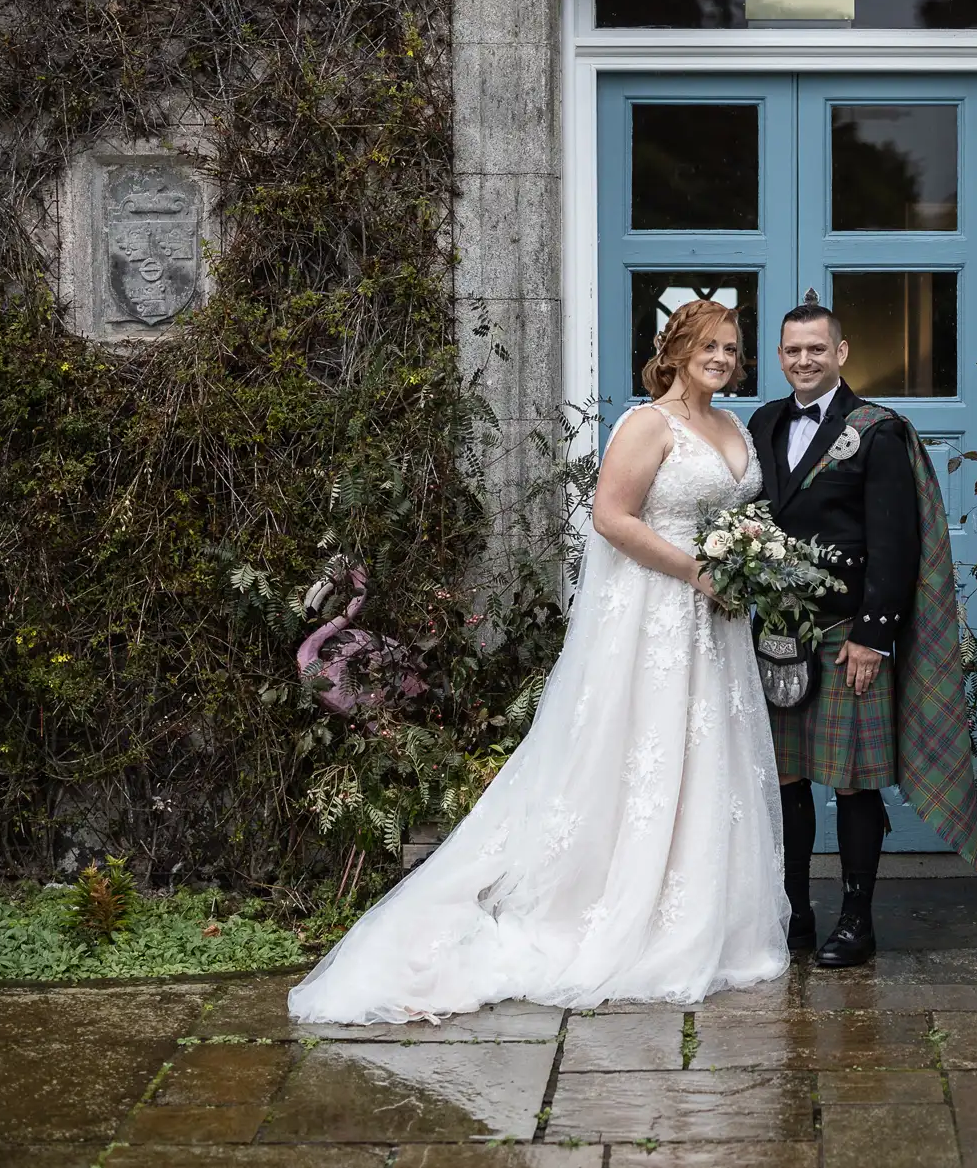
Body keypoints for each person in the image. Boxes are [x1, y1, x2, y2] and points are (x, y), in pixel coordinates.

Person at [289, 300, 787, 1022]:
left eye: (731, 347)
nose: (722, 356)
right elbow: (612, 519)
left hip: (716, 626)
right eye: (708, 344)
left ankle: (705, 915)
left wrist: (744, 567)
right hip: (659, 614)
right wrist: (696, 571)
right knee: (643, 754)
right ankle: (614, 906)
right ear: (675, 352)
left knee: (705, 755)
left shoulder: (732, 425)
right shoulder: (649, 424)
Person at [748, 301, 977, 970]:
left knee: (853, 780)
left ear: (841, 352)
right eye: (792, 350)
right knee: (788, 777)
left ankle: (857, 920)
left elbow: (895, 541)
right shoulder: (765, 421)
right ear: (781, 354)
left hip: (845, 630)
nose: (803, 361)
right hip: (781, 632)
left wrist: (874, 637)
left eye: (816, 350)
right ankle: (795, 911)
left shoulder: (876, 430)